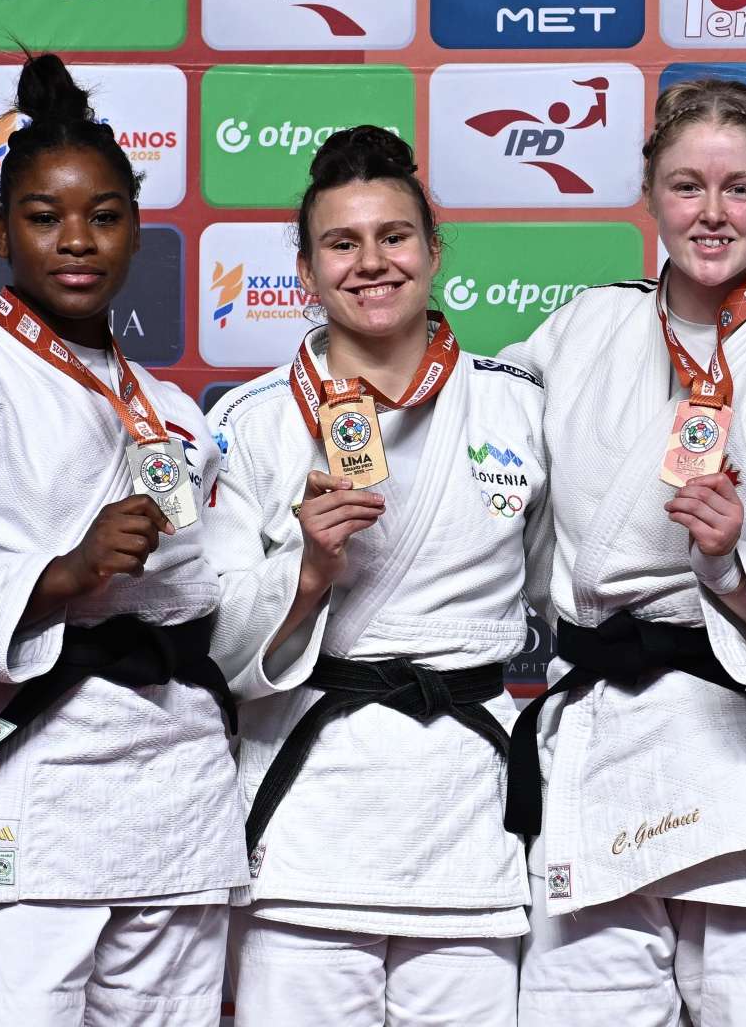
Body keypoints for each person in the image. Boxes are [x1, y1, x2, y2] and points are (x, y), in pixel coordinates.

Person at [0, 53, 245, 1026]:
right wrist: (56, 576)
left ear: (138, 231)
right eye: (44, 215)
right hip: (25, 781)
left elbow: (215, 604)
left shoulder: (177, 416)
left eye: (104, 216)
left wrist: (304, 563)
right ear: (1, 232)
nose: (77, 240)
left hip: (175, 794)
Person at [501, 79, 746, 1026]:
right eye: (686, 187)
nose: (712, 215)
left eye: (738, 189)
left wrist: (735, 565)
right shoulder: (585, 325)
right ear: (650, 193)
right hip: (594, 743)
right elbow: (476, 427)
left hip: (742, 762)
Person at [204, 126, 550, 1026]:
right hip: (311, 819)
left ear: (434, 251)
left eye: (394, 237)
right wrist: (308, 572)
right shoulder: (247, 421)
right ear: (307, 270)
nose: (371, 263)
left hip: (467, 811)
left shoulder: (518, 404)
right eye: (341, 244)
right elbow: (211, 643)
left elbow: (568, 596)